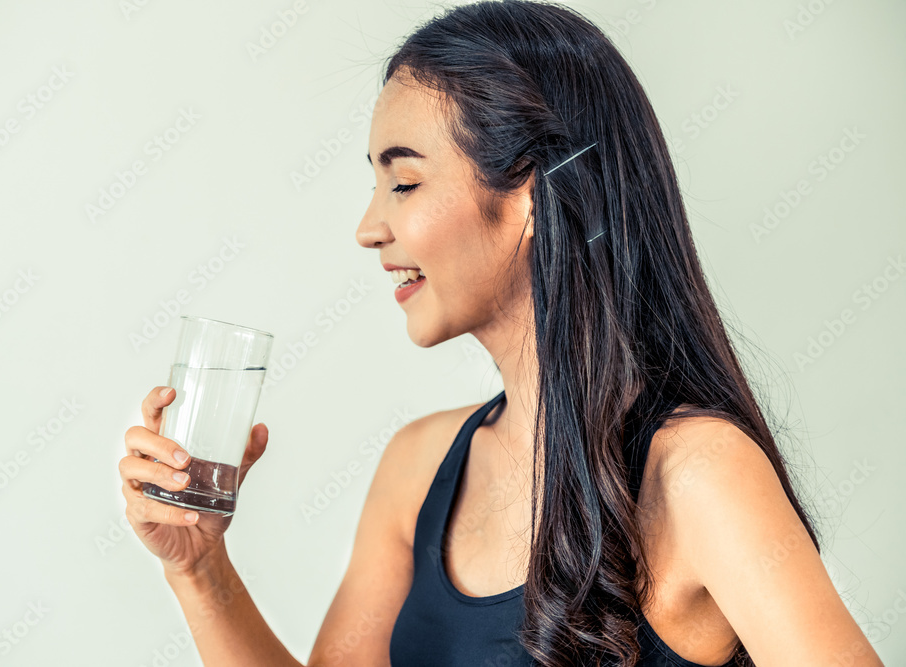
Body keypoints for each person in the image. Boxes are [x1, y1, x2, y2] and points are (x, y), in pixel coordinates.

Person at [118, 2, 885, 665]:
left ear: (527, 190)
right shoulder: (417, 467)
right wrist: (198, 567)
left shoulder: (696, 474)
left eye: (405, 181)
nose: (367, 226)